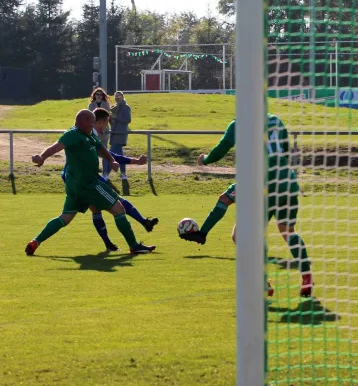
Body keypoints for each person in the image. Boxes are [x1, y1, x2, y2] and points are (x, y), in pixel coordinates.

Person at [180, 114, 313, 298]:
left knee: (239, 232)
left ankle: (262, 281)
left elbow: (221, 149)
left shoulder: (239, 122)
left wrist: (205, 160)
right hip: (288, 181)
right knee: (288, 231)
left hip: (261, 183)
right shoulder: (275, 120)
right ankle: (307, 277)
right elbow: (285, 148)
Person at [25, 109, 155, 256]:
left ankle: (35, 242)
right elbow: (55, 147)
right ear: (85, 123)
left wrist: (112, 161)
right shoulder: (72, 135)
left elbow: (101, 148)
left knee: (65, 218)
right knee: (119, 209)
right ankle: (134, 246)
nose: (94, 124)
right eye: (92, 122)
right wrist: (42, 157)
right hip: (89, 185)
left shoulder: (88, 135)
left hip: (75, 188)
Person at [62, 108, 159, 252]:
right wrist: (135, 161)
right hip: (80, 179)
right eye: (106, 123)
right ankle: (130, 237)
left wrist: (133, 161)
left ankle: (135, 228)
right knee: (109, 206)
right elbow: (111, 156)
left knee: (104, 206)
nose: (107, 126)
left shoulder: (88, 132)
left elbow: (109, 155)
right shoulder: (88, 135)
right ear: (99, 122)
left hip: (85, 176)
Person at [88, 88, 112, 178]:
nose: (98, 96)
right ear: (94, 95)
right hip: (94, 131)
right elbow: (90, 118)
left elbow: (107, 117)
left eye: (100, 94)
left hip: (105, 131)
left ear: (103, 96)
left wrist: (103, 129)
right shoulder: (91, 105)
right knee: (94, 152)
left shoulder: (106, 104)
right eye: (97, 94)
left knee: (105, 151)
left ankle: (105, 173)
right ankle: (95, 172)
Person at [108, 91, 131, 181]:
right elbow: (113, 122)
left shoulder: (126, 107)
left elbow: (128, 119)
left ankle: (106, 173)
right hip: (114, 133)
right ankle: (123, 174)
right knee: (119, 155)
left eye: (119, 96)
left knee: (110, 154)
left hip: (121, 133)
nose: (117, 98)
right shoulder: (113, 108)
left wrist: (116, 117)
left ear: (122, 97)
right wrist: (110, 119)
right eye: (116, 97)